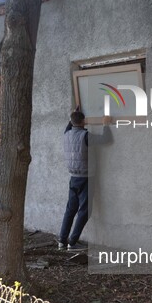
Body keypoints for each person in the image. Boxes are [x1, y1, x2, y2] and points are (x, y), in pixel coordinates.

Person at [59, 107, 112, 251]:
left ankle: (62, 241)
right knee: (85, 211)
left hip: (73, 177)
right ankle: (72, 242)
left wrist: (73, 115)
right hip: (86, 177)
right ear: (83, 121)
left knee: (70, 210)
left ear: (71, 122)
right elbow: (107, 139)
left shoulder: (67, 134)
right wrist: (105, 123)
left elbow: (70, 124)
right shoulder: (86, 136)